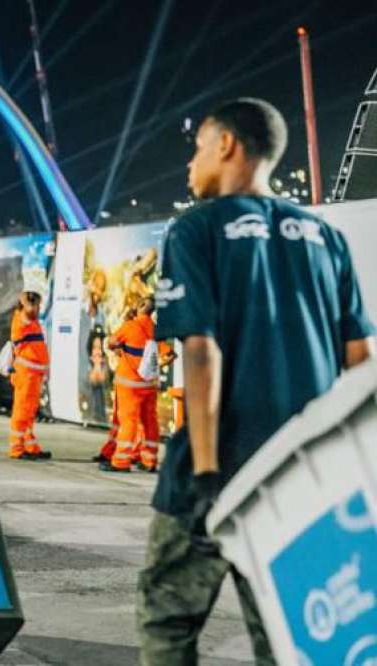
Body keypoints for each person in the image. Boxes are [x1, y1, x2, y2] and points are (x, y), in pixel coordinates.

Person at [136, 98, 375, 665]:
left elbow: (201, 352)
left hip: (215, 471)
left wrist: (206, 469)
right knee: (288, 631)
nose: (190, 167)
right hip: (301, 478)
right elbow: (361, 361)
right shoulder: (326, 239)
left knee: (168, 619)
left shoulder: (196, 230)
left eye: (197, 150)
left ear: (227, 145)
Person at [102, 298, 161, 473]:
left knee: (128, 422)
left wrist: (118, 348)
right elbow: (166, 353)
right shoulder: (156, 330)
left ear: (141, 307)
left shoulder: (130, 326)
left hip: (129, 385)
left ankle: (121, 461)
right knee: (150, 422)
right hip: (149, 384)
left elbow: (111, 342)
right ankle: (149, 460)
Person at [7, 291, 52, 460]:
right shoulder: (21, 320)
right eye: (36, 305)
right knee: (22, 411)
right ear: (26, 305)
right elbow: (25, 318)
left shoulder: (32, 322)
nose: (38, 308)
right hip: (26, 374)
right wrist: (26, 302)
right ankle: (16, 448)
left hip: (34, 374)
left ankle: (30, 446)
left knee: (29, 411)